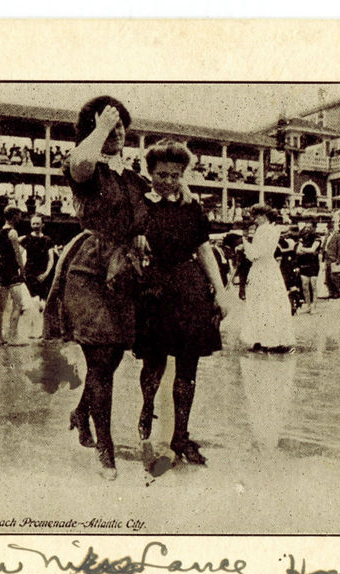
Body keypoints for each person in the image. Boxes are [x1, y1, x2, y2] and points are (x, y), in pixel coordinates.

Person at [47, 96, 150, 479]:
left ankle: (79, 413)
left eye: (121, 122)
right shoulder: (84, 166)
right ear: (91, 130)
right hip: (89, 267)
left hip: (125, 270)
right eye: (109, 123)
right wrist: (100, 128)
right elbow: (81, 163)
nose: (116, 128)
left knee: (113, 356)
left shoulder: (133, 177)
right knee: (101, 358)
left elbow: (148, 215)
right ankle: (105, 451)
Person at [133, 140, 228, 465]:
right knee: (154, 363)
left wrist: (220, 290)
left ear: (183, 174)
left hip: (189, 290)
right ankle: (147, 409)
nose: (169, 181)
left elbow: (204, 251)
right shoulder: (140, 205)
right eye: (162, 174)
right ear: (150, 173)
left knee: (188, 366)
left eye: (175, 175)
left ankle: (181, 437)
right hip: (154, 289)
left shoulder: (193, 208)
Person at [240, 205, 295, 353]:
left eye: (256, 216)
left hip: (260, 268)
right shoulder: (274, 230)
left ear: (263, 216)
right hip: (270, 268)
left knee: (260, 303)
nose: (255, 220)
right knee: (272, 302)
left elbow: (255, 254)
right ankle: (273, 339)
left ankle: (263, 340)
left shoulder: (262, 230)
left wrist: (244, 243)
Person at [0, 205, 29, 345]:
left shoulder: (0, 231)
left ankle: (0, 338)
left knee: (1, 307)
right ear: (14, 216)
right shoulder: (13, 232)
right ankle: (13, 337)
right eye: (19, 215)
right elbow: (17, 254)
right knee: (17, 304)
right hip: (12, 271)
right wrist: (22, 270)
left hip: (2, 270)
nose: (20, 217)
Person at [20, 214, 56, 338]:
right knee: (32, 304)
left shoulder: (47, 240)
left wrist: (46, 273)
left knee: (43, 304)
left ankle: (43, 331)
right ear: (31, 225)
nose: (35, 226)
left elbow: (51, 259)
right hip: (30, 274)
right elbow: (17, 254)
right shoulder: (26, 239)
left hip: (43, 274)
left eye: (38, 223)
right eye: (33, 223)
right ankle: (32, 331)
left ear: (42, 225)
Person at [295, 219, 321, 313]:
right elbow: (298, 251)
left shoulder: (317, 238)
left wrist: (303, 249)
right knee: (305, 285)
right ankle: (308, 306)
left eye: (309, 227)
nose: (307, 229)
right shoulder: (303, 237)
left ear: (314, 228)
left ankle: (314, 306)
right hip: (304, 263)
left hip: (313, 264)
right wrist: (307, 250)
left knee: (313, 285)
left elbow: (312, 250)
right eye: (306, 227)